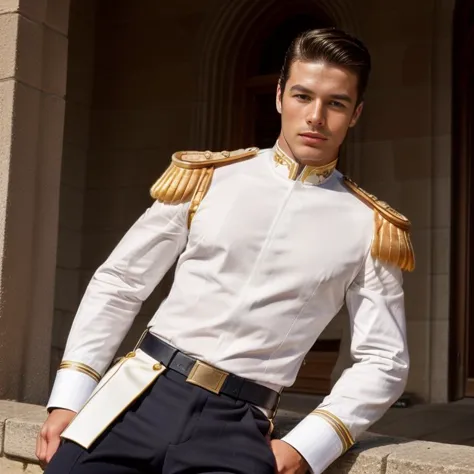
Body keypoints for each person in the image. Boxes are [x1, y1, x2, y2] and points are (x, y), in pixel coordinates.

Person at [37, 28, 414, 474]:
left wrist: (310, 445)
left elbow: (384, 359)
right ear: (278, 97)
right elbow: (120, 283)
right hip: (134, 399)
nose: (315, 116)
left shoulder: (371, 226)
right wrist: (70, 395)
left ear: (355, 114)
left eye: (336, 103)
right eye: (302, 96)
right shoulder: (207, 178)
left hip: (238, 427)